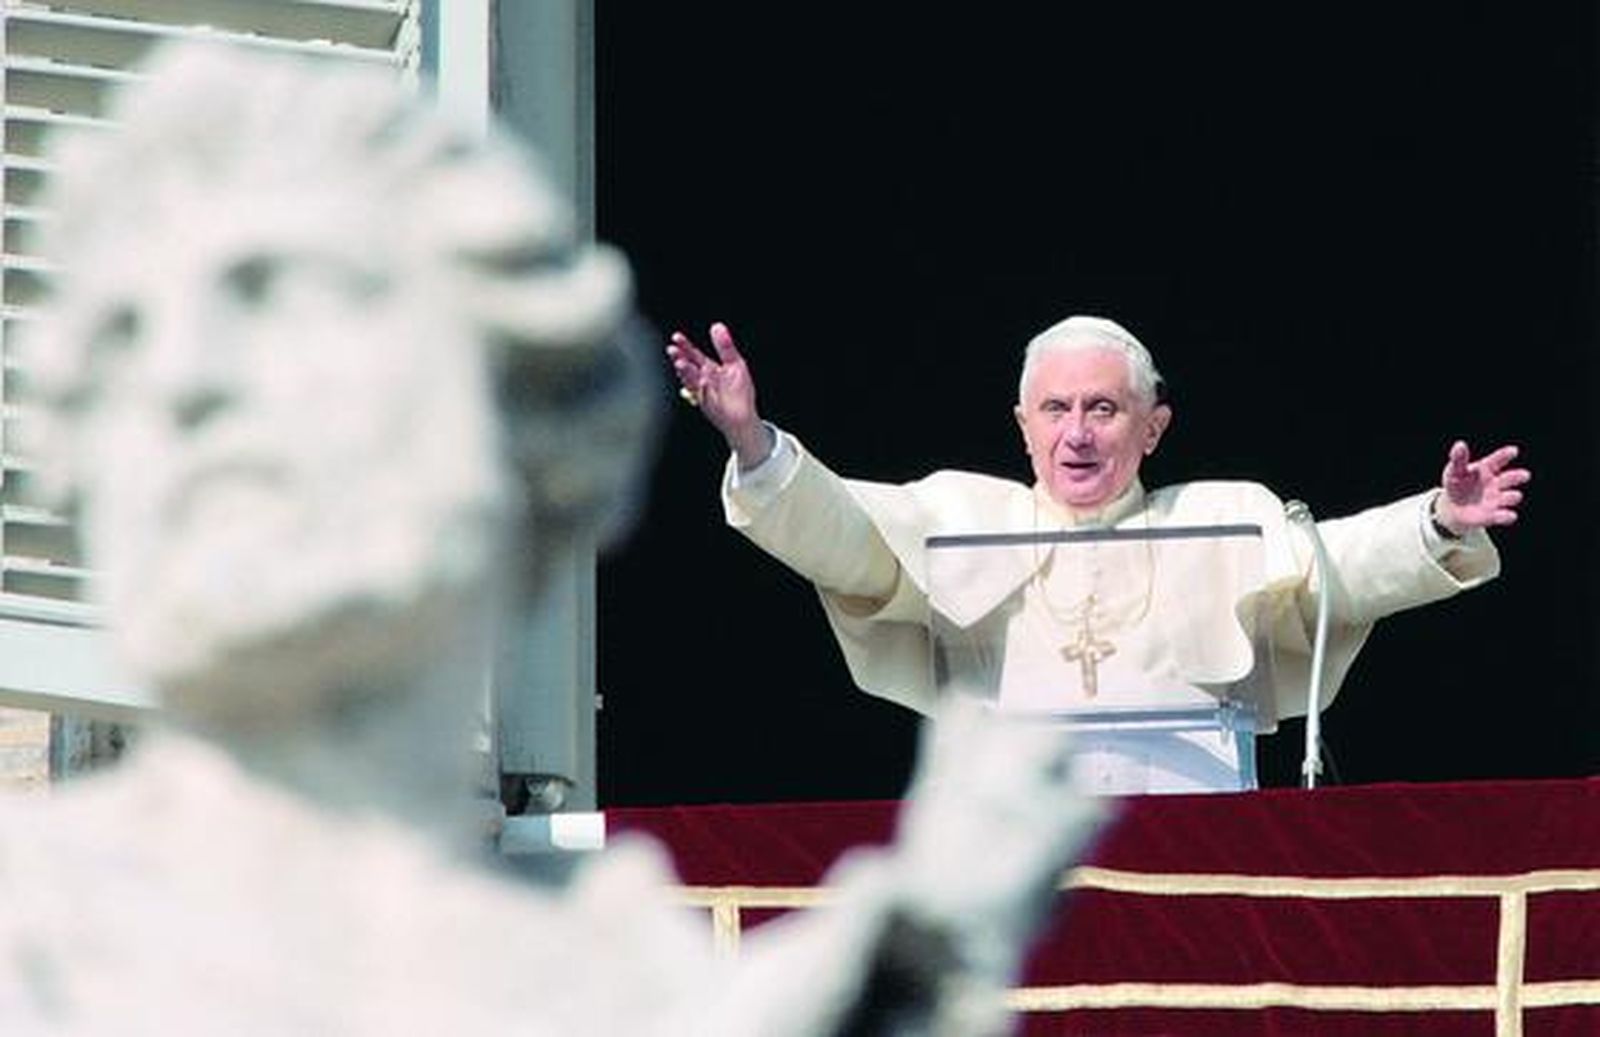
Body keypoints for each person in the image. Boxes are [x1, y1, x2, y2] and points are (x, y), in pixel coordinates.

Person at [0, 41, 1103, 1035]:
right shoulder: (28, 923)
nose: (181, 381)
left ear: (518, 420)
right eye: (122, 338)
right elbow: (864, 543)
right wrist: (757, 441)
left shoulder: (643, 983)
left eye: (279, 298)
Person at [667, 316, 1530, 791]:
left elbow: (1331, 565)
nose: (1076, 435)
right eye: (1055, 410)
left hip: (1197, 862)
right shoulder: (961, 512)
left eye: (1103, 410)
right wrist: (755, 445)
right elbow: (847, 535)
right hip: (1017, 861)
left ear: (1152, 427)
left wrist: (1438, 523)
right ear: (1023, 426)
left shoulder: (1221, 518)